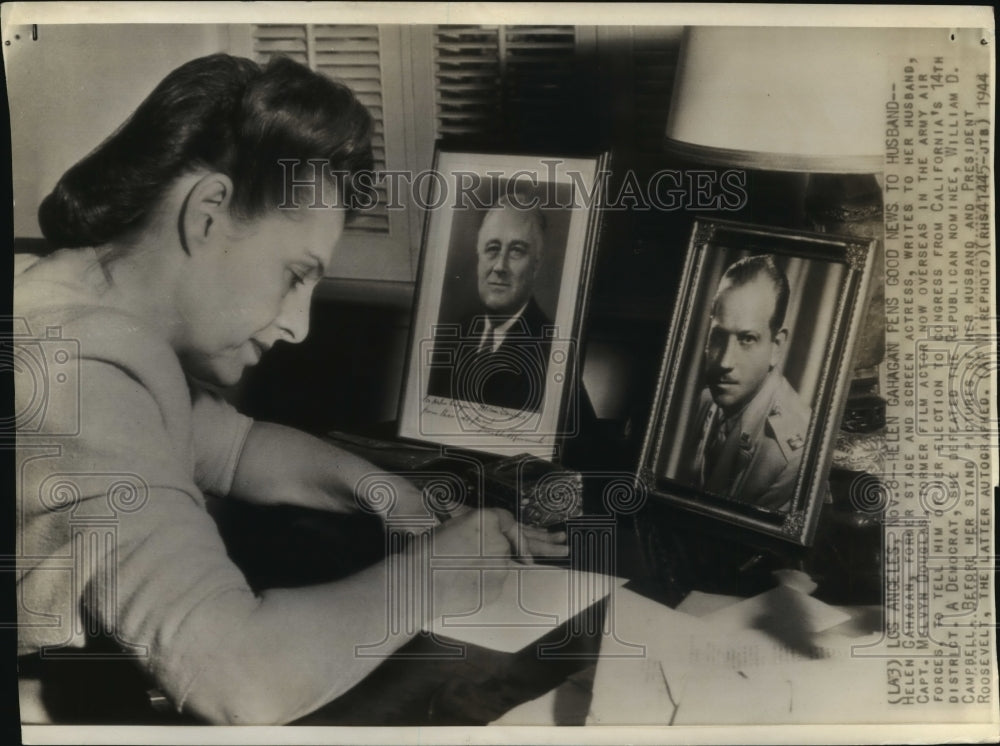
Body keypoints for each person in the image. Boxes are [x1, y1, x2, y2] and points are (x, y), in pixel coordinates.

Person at [14, 54, 565, 725]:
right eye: (296, 274)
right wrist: (438, 573)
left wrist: (393, 497)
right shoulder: (79, 379)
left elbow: (236, 448)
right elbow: (241, 680)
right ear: (208, 214)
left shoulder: (75, 295)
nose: (299, 326)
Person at [679, 254, 811, 512]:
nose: (725, 361)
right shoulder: (706, 400)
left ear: (776, 346)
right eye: (718, 337)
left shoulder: (793, 456)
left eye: (747, 339)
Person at [427, 197, 554, 412]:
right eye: (492, 248)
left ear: (536, 266)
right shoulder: (456, 333)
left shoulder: (550, 351)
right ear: (479, 257)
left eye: (516, 251)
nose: (499, 266)